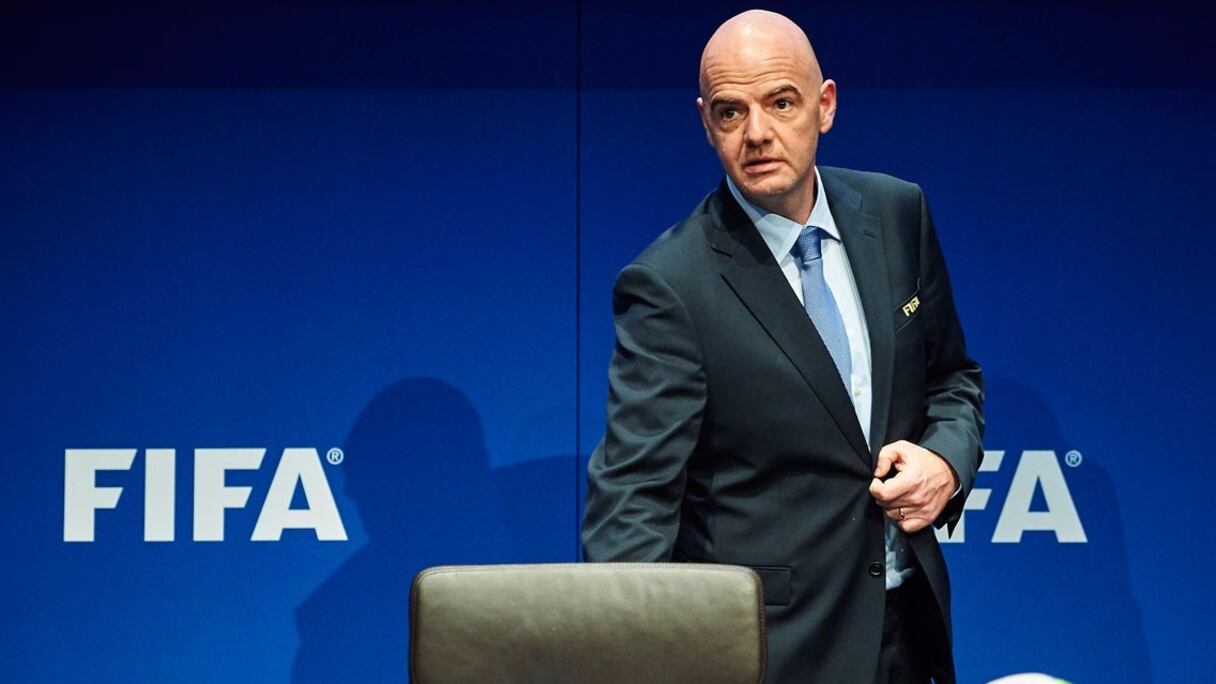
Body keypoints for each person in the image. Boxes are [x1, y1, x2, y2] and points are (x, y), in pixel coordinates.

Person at [582, 9, 984, 684]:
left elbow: (952, 380)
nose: (757, 133)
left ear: (825, 106)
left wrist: (945, 460)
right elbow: (634, 499)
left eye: (781, 102)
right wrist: (641, 657)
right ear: (706, 123)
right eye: (730, 112)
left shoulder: (896, 213)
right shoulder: (671, 284)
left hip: (909, 634)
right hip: (776, 652)